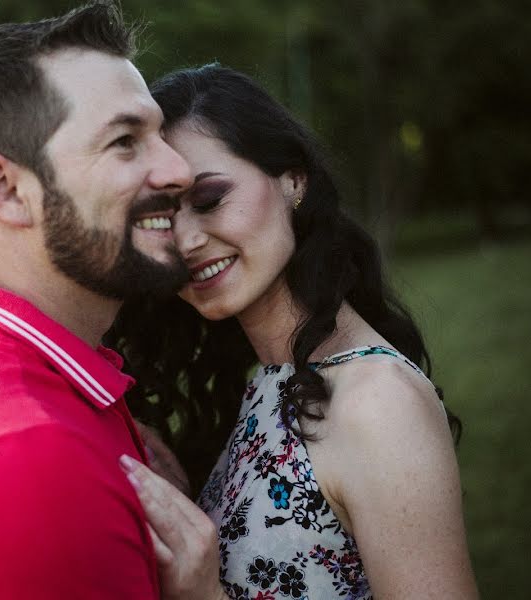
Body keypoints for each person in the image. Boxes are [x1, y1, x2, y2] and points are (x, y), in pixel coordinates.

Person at [110, 64, 479, 599]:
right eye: (162, 218)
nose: (186, 240)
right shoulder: (270, 380)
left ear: (293, 180)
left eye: (210, 199)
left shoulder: (375, 403)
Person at [0, 3, 197, 598]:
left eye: (162, 137)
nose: (178, 170)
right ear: (6, 190)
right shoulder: (31, 464)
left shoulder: (22, 389)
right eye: (125, 141)